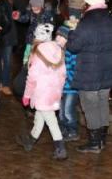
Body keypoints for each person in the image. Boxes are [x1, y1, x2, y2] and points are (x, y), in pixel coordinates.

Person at [66, 0, 112, 153]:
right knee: (103, 102)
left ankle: (95, 142)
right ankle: (102, 139)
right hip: (108, 69)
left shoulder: (85, 23)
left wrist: (72, 31)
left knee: (90, 105)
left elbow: (73, 47)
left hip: (89, 71)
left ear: (88, 3)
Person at [17, 23, 68, 161]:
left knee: (51, 120)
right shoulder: (58, 50)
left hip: (42, 92)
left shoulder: (37, 52)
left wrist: (27, 95)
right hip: (54, 91)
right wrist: (59, 90)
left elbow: (32, 77)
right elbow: (63, 73)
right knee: (40, 115)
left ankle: (60, 148)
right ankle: (31, 140)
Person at [13, 0, 56, 65]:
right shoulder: (30, 12)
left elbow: (51, 25)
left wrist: (46, 29)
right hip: (31, 36)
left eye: (36, 6)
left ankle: (40, 65)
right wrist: (18, 17)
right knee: (28, 51)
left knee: (41, 54)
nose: (34, 8)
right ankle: (26, 64)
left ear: (41, 6)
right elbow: (25, 18)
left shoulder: (47, 14)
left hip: (42, 39)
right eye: (32, 6)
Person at [55, 22, 80, 142]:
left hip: (71, 87)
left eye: (62, 37)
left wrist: (67, 78)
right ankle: (63, 130)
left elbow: (74, 70)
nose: (58, 39)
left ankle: (73, 131)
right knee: (61, 111)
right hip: (60, 87)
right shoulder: (55, 52)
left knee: (68, 110)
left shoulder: (71, 52)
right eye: (57, 36)